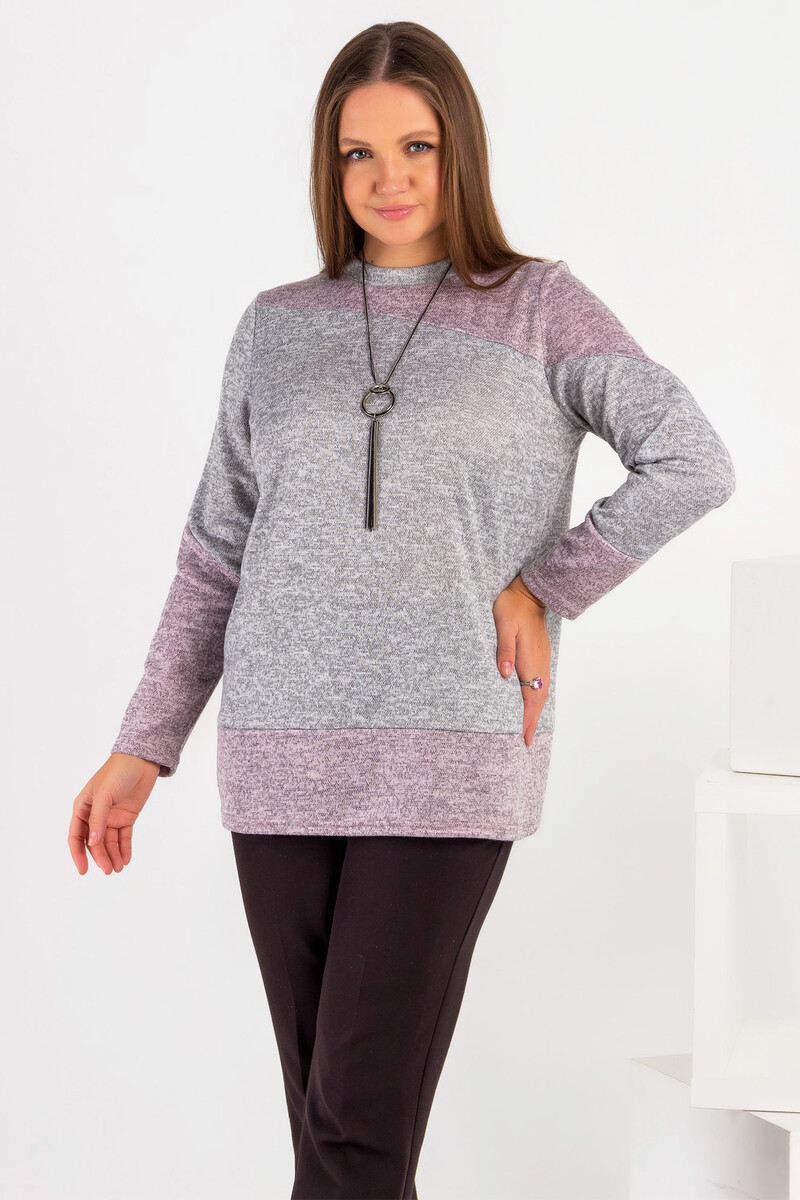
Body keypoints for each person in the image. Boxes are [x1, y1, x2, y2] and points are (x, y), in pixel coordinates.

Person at [67, 20, 736, 1200]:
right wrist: (143, 743)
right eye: (357, 154)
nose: (388, 179)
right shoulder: (276, 326)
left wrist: (545, 584)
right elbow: (216, 552)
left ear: (458, 148)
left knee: (353, 1141)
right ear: (328, 167)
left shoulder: (539, 308)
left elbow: (690, 460)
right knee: (333, 1142)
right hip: (277, 758)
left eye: (415, 146)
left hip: (447, 754)